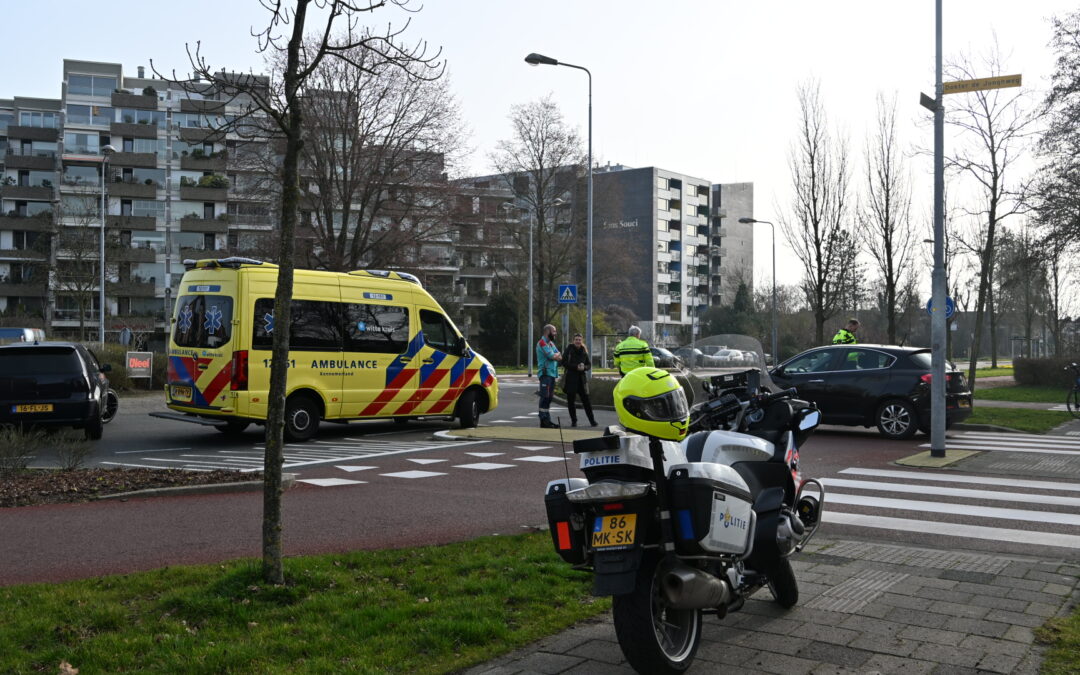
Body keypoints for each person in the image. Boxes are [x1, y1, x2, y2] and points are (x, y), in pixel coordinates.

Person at [562, 333, 597, 427]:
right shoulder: (569, 349)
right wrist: (575, 367)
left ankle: (592, 421)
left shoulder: (584, 351)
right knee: (571, 401)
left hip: (582, 379)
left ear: (582, 341)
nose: (578, 341)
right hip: (571, 378)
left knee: (586, 401)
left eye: (579, 340)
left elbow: (589, 364)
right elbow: (564, 362)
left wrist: (584, 367)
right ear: (573, 340)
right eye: (576, 339)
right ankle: (574, 421)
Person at [536, 323, 562, 428]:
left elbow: (560, 355)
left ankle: (547, 420)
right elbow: (552, 356)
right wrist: (555, 356)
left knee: (549, 397)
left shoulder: (550, 344)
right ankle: (543, 419)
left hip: (551, 374)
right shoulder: (542, 343)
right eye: (554, 331)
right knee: (545, 397)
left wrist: (556, 356)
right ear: (548, 332)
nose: (555, 333)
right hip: (545, 374)